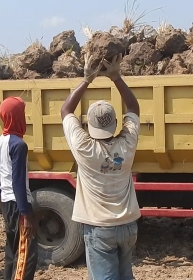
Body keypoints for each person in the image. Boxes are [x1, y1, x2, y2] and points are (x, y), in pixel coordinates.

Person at [60, 53, 141, 280]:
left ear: (88, 126)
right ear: (116, 124)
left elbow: (66, 111)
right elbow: (133, 107)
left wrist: (87, 79)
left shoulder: (85, 148)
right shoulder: (127, 144)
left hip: (100, 229)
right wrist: (116, 77)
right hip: (128, 227)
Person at [0, 96, 38, 280]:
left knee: (12, 253)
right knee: (26, 256)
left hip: (7, 202)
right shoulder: (19, 145)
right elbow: (18, 181)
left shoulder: (2, 140)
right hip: (17, 203)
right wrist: (26, 213)